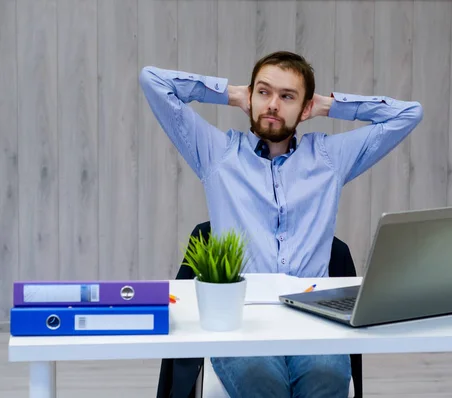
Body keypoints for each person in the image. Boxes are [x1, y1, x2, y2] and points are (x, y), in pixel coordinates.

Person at [140, 51, 423, 398]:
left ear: (305, 109)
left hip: (314, 320)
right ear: (251, 97)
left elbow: (409, 114)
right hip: (243, 319)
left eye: (287, 96)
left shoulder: (329, 159)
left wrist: (330, 105)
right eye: (264, 92)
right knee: (263, 381)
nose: (273, 104)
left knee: (327, 377)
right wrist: (230, 93)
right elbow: (152, 80)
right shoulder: (217, 153)